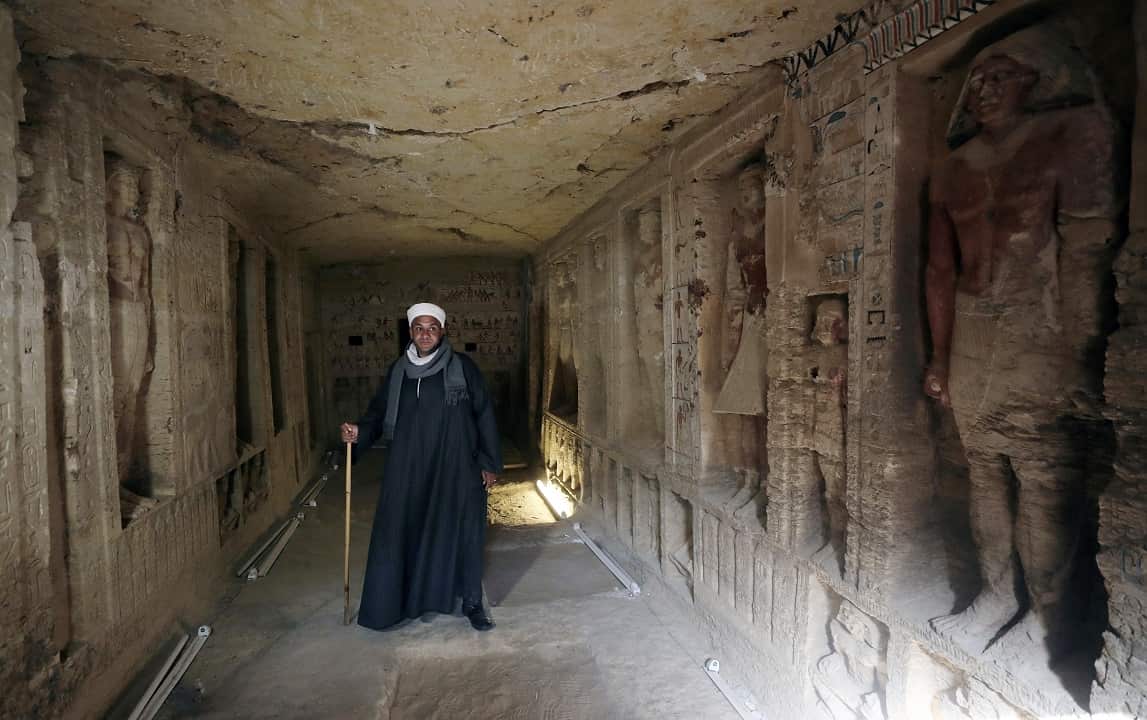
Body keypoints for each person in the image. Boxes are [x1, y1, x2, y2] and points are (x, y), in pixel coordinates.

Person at [922, 27, 1120, 656]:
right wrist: (938, 355)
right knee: (984, 469)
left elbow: (1088, 249)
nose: (983, 88)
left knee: (1040, 474)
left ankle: (1049, 615)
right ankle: (995, 594)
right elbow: (939, 272)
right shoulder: (950, 171)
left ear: (1039, 79)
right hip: (975, 332)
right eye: (976, 79)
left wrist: (1085, 346)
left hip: (1044, 326)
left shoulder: (1074, 133)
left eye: (1000, 74)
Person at [341, 302, 502, 632]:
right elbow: (377, 411)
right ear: (411, 332)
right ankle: (406, 602)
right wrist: (359, 432)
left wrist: (488, 462)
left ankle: (472, 603)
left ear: (443, 331)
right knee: (405, 530)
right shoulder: (399, 371)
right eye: (419, 328)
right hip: (410, 467)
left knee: (465, 530)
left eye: (432, 328)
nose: (425, 334)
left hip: (455, 464)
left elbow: (484, 414)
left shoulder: (463, 367)